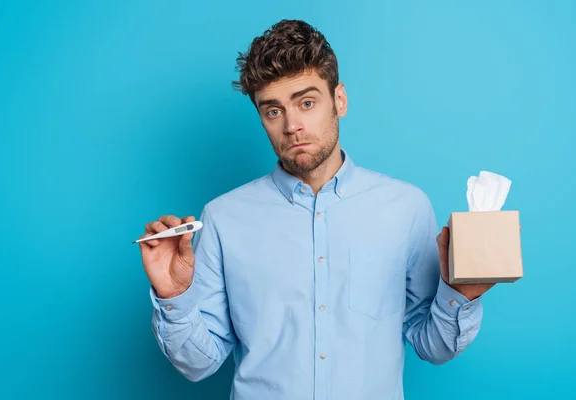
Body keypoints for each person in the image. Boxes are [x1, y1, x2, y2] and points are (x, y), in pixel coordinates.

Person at [138, 19, 494, 400]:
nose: (292, 125)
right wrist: (175, 297)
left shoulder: (405, 207)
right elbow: (198, 364)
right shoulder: (223, 219)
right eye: (273, 111)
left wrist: (463, 293)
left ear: (339, 99)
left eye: (306, 103)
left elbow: (433, 346)